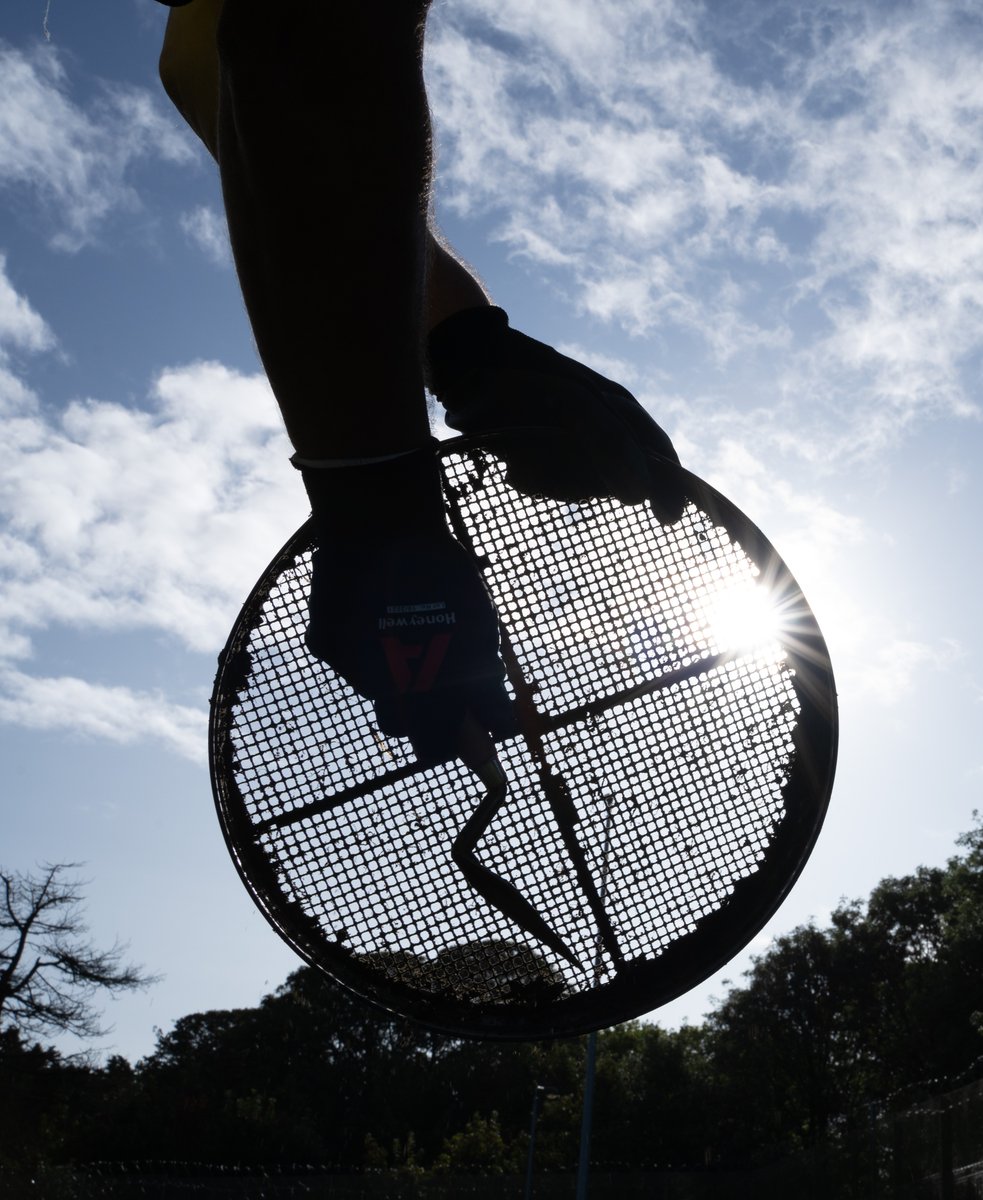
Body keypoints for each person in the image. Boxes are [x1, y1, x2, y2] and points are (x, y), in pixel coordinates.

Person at [156, 0, 684, 769]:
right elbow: (301, 52)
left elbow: (290, 116)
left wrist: (461, 345)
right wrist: (377, 506)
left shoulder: (214, 47)